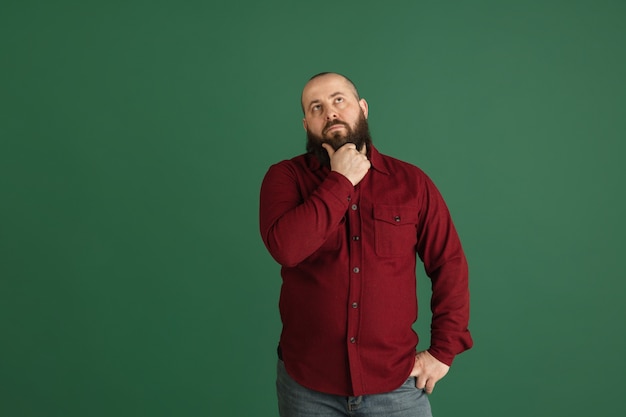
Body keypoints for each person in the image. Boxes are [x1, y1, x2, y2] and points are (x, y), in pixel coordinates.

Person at [259, 72, 472, 417]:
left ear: (362, 108)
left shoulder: (412, 183)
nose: (330, 112)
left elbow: (449, 263)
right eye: (317, 107)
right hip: (307, 389)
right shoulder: (286, 179)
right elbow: (286, 248)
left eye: (338, 100)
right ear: (306, 124)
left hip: (396, 385)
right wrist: (340, 181)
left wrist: (443, 350)